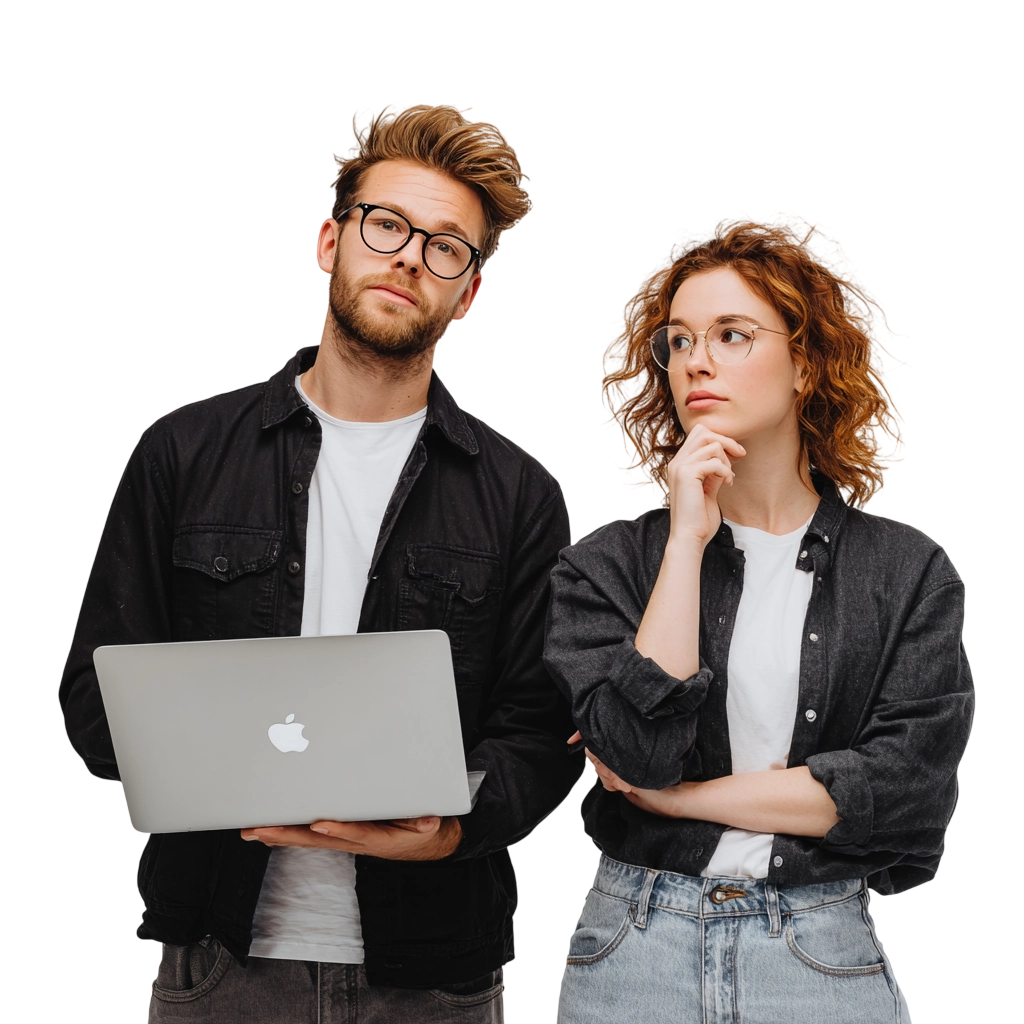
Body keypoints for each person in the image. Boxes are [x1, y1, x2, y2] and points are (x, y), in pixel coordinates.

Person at [60, 102, 581, 1023]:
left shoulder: (521, 494)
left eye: (447, 247)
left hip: (434, 981)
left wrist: (446, 828)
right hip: (221, 962)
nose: (410, 257)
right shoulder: (183, 453)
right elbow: (96, 691)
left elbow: (540, 731)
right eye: (388, 226)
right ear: (329, 243)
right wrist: (211, 772)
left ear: (468, 294)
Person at [543, 219, 973, 1023]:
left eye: (732, 335)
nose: (695, 360)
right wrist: (684, 542)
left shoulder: (909, 574)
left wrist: (671, 800)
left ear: (805, 364)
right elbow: (639, 749)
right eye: (677, 341)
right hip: (632, 944)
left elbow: (905, 793)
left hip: (817, 948)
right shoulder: (605, 565)